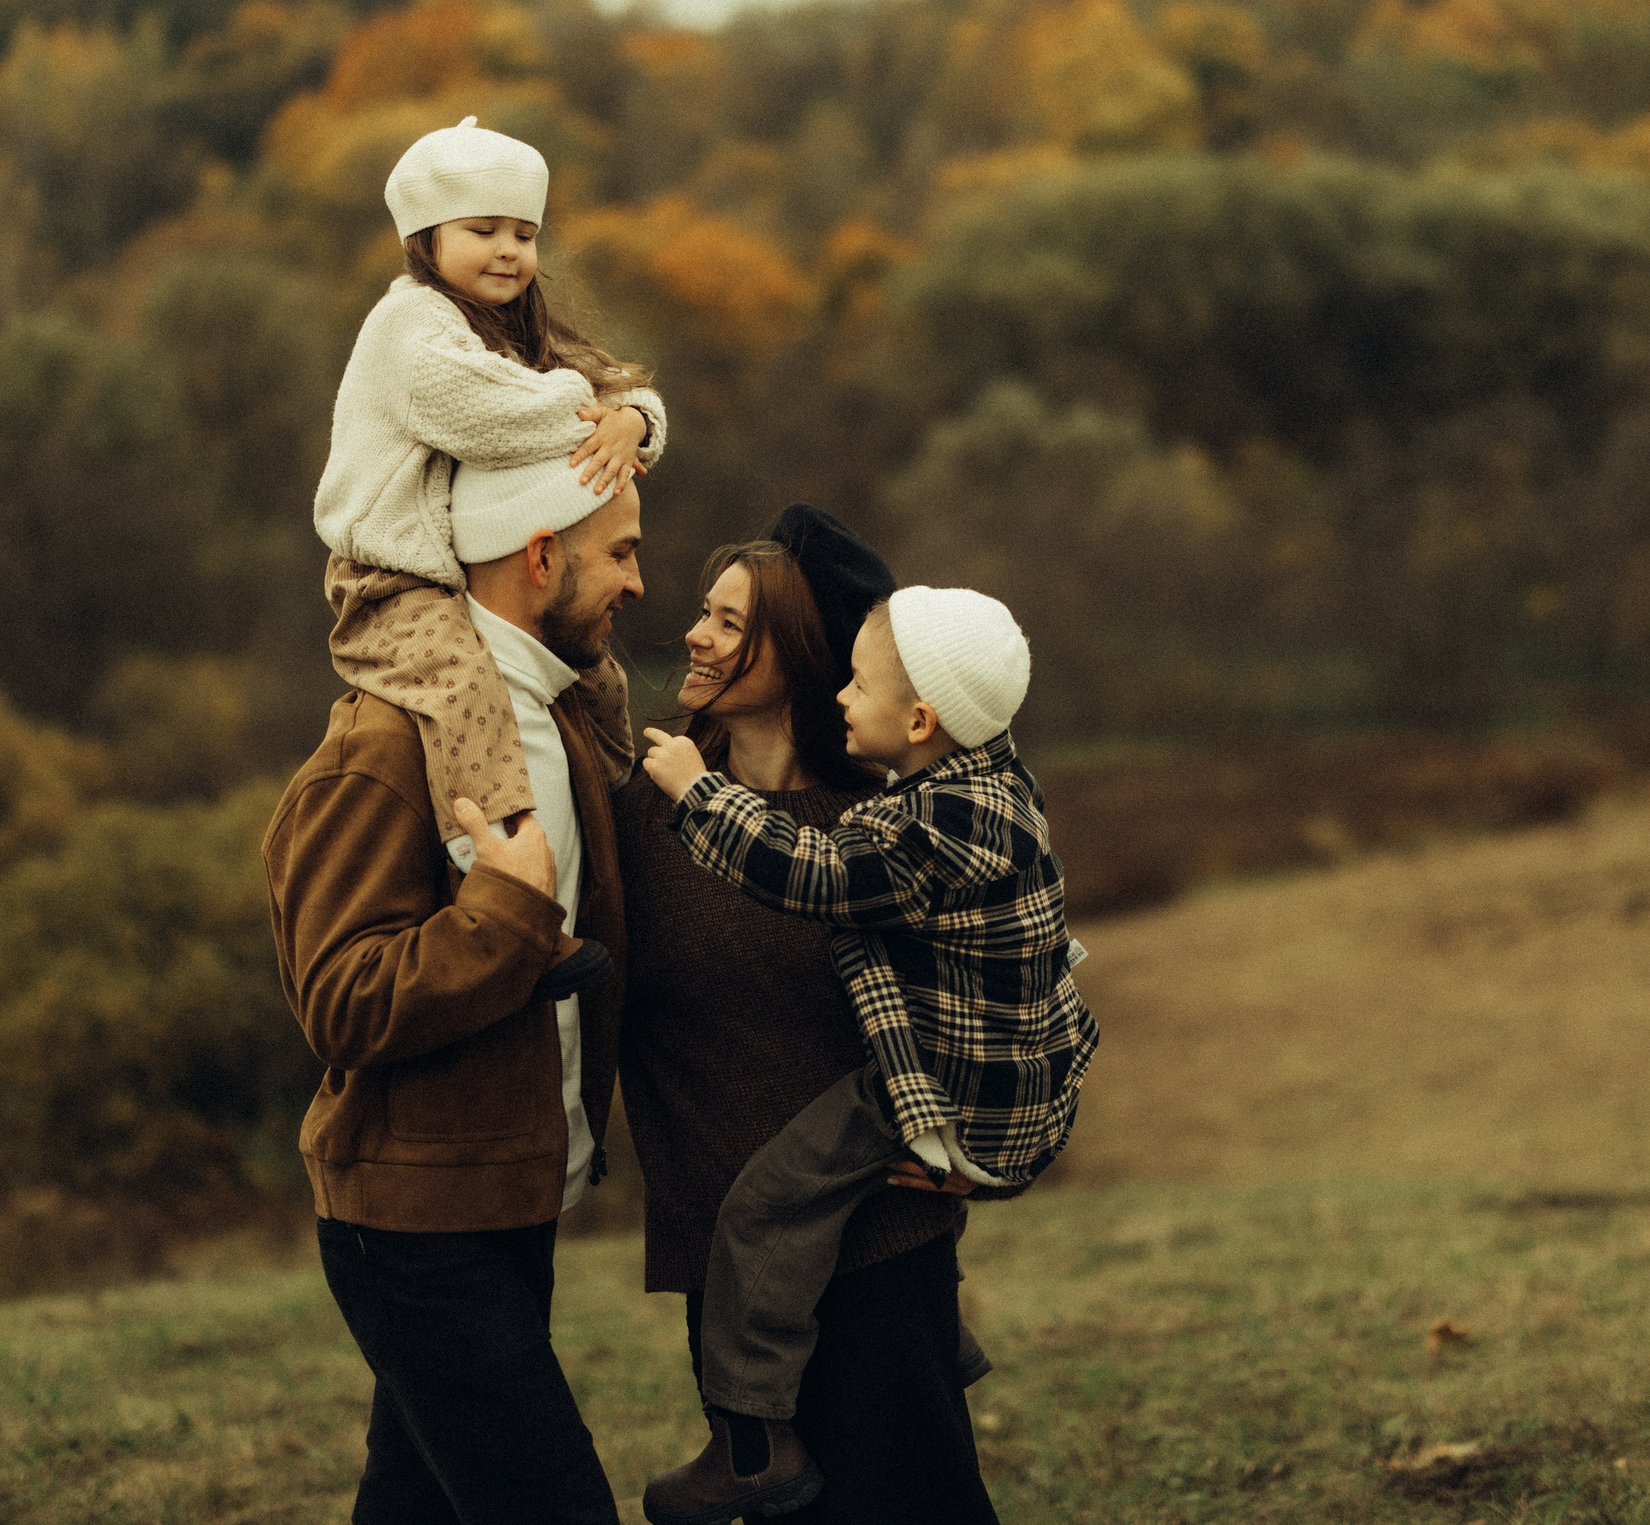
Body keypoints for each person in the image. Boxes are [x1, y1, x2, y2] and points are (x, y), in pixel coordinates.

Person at [638, 583, 1098, 1525]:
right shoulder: (982, 780)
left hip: (947, 1088)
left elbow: (814, 872)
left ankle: (752, 1440)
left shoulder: (933, 825)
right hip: (997, 1075)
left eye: (857, 681)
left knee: (765, 1209)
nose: (843, 695)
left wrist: (697, 792)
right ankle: (941, 1346)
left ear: (921, 717)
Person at [265, 453, 647, 1524]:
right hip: (413, 1227)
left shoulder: (560, 722)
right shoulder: (382, 749)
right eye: (619, 552)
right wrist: (502, 921)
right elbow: (338, 1000)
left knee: (417, 1504)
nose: (636, 581)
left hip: (512, 1198)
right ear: (538, 557)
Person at [314, 114, 667, 843]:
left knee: (599, 682)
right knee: (463, 691)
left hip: (467, 569)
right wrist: (598, 410)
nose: (509, 251)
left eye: (524, 234)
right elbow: (488, 413)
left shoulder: (519, 323)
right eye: (483, 230)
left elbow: (629, 387)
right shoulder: (408, 327)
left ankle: (620, 820)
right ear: (426, 239)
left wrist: (632, 421)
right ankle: (501, 864)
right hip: (391, 582)